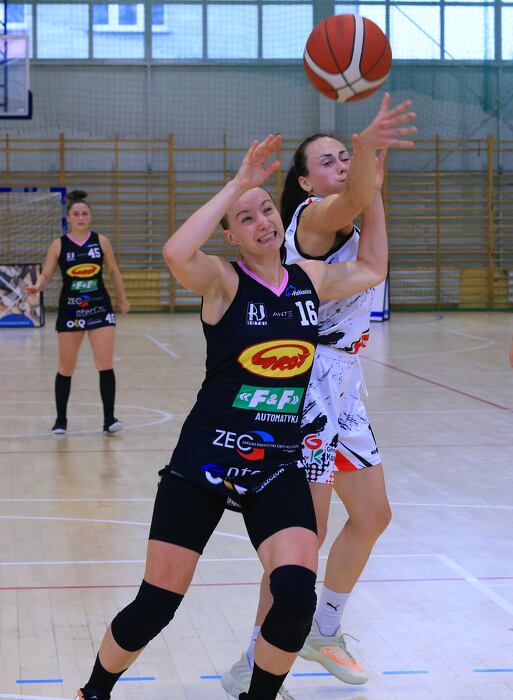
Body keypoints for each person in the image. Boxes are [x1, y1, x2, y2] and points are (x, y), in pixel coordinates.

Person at [75, 95, 414, 700]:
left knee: (295, 595)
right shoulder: (223, 281)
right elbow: (176, 253)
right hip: (207, 458)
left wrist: (377, 188)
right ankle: (93, 691)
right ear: (231, 235)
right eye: (246, 217)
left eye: (266, 211)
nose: (263, 221)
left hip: (273, 463)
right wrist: (238, 183)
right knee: (156, 603)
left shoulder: (308, 281)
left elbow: (372, 267)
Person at [222, 120, 413, 696]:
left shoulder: (356, 211)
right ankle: (253, 660)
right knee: (302, 535)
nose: (341, 164)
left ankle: (322, 629)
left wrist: (370, 176)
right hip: (308, 383)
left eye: (344, 156)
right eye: (327, 161)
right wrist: (367, 159)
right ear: (305, 183)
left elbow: (374, 259)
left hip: (344, 383)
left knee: (373, 515)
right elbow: (351, 199)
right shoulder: (311, 220)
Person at [24, 190, 129, 435]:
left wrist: (122, 298)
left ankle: (109, 419)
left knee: (105, 362)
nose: (80, 217)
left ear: (90, 217)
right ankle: (61, 420)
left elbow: (113, 271)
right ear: (68, 218)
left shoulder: (101, 241)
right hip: (71, 308)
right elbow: (47, 274)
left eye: (84, 213)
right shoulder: (58, 245)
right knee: (66, 367)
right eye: (76, 214)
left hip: (99, 306)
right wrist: (37, 286)